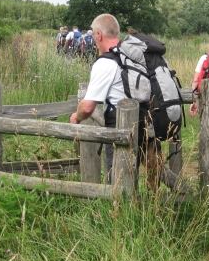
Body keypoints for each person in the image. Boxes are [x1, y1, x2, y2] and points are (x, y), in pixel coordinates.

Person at [70, 14, 163, 190]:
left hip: (120, 127)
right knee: (145, 174)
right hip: (146, 121)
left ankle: (121, 213)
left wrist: (76, 116)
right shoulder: (134, 55)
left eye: (92, 35)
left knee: (119, 181)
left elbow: (88, 106)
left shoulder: (105, 62)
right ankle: (148, 209)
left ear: (98, 35)